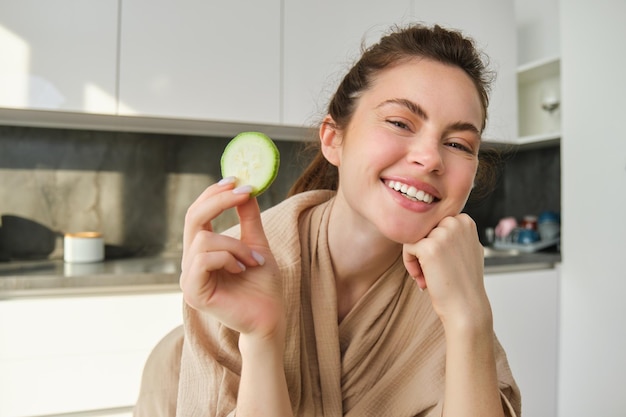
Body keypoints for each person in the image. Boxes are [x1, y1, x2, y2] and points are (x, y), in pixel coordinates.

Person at [134, 23, 521, 417]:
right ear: (334, 138)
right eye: (400, 123)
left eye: (458, 144)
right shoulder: (233, 271)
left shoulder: (454, 290)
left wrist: (469, 319)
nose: (431, 158)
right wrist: (262, 339)